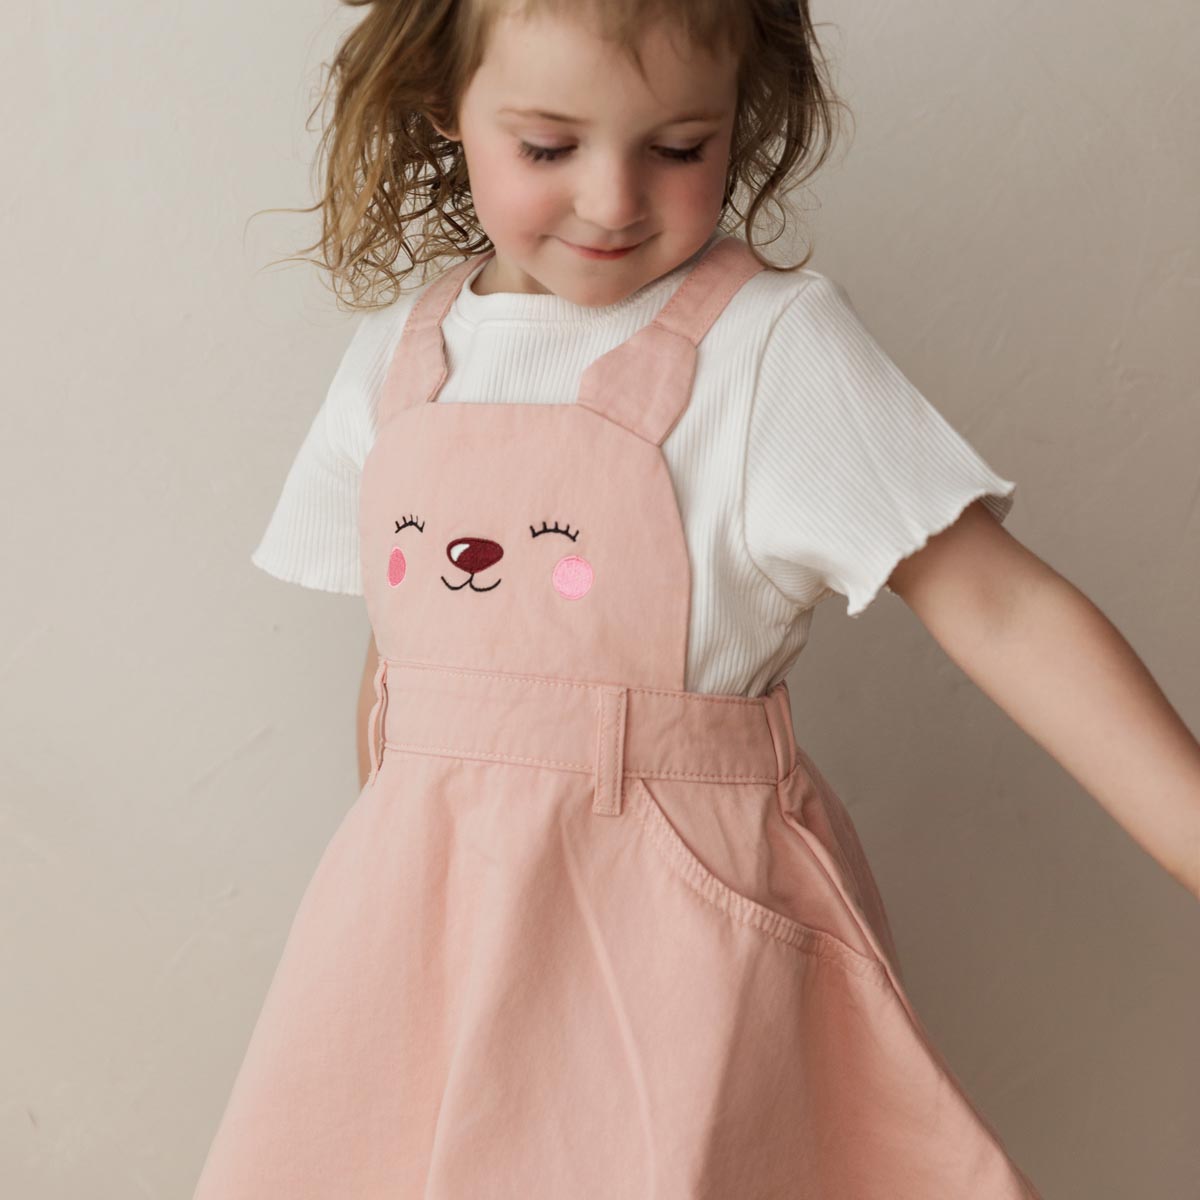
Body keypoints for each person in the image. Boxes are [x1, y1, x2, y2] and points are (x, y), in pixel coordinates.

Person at [194, 1, 1200, 1196]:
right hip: (429, 949)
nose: (614, 199)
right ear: (443, 104)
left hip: (672, 946)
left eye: (678, 147)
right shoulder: (393, 365)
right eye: (549, 146)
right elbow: (404, 673)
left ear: (739, 116)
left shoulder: (770, 349)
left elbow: (998, 607)